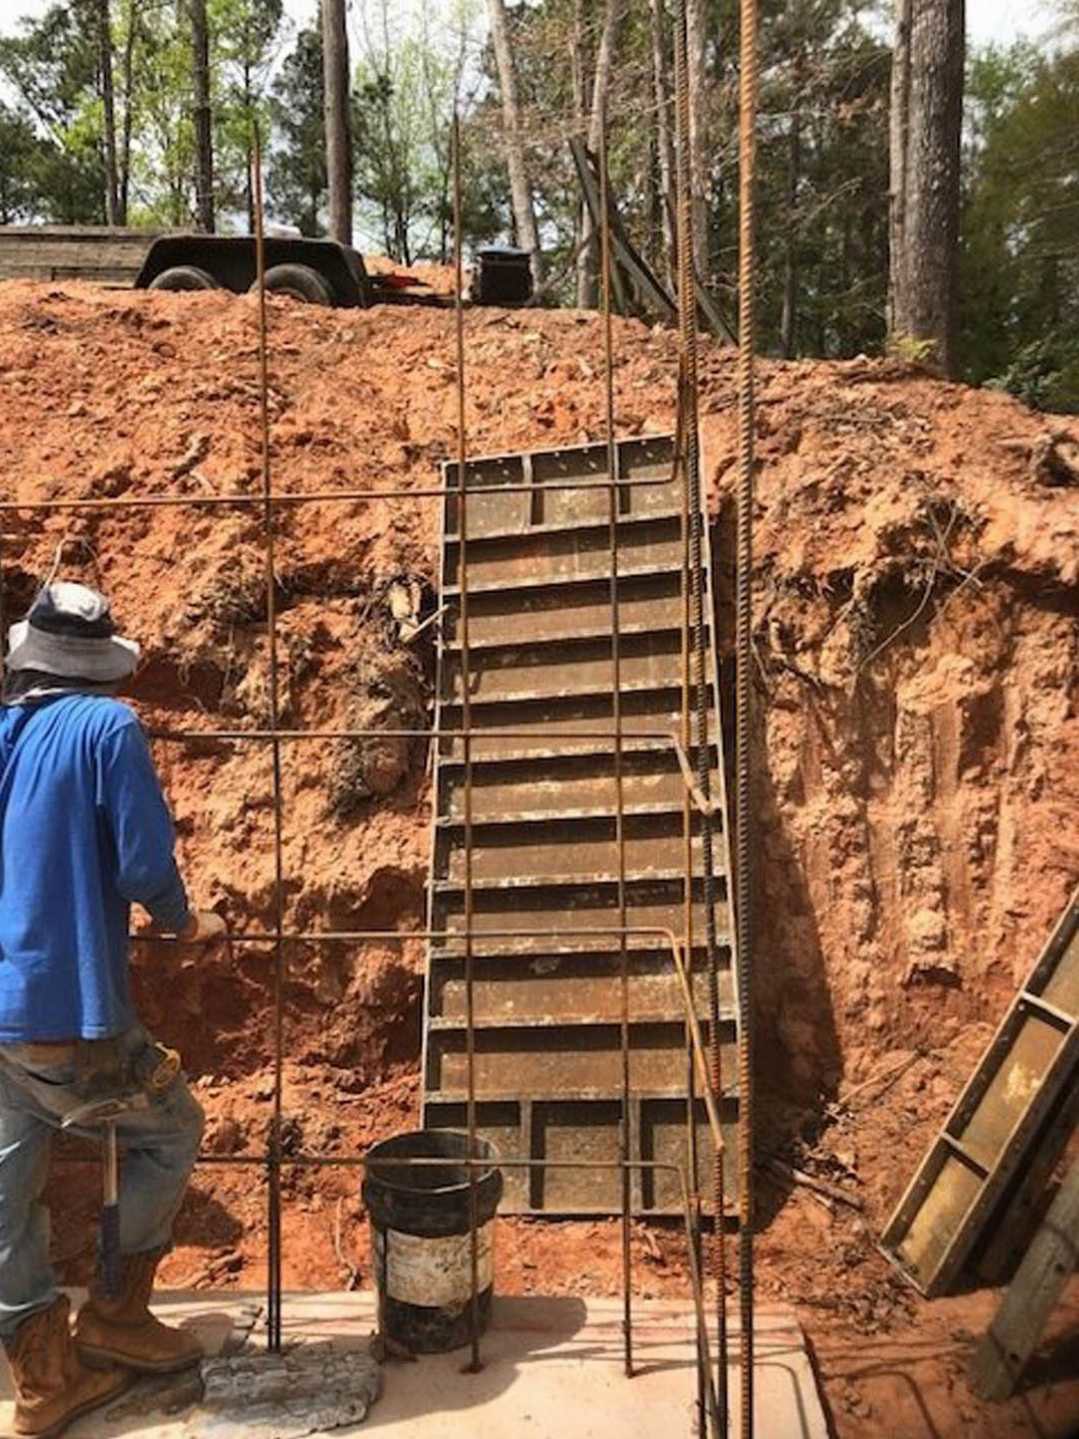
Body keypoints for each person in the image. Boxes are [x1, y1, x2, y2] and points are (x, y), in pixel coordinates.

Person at [0, 581, 226, 1439]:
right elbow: (139, 861)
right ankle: (116, 1315)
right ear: (99, 665)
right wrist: (185, 921)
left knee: (5, 1196)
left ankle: (43, 1381)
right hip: (64, 1008)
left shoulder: (2, 731)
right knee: (170, 1130)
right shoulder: (108, 727)